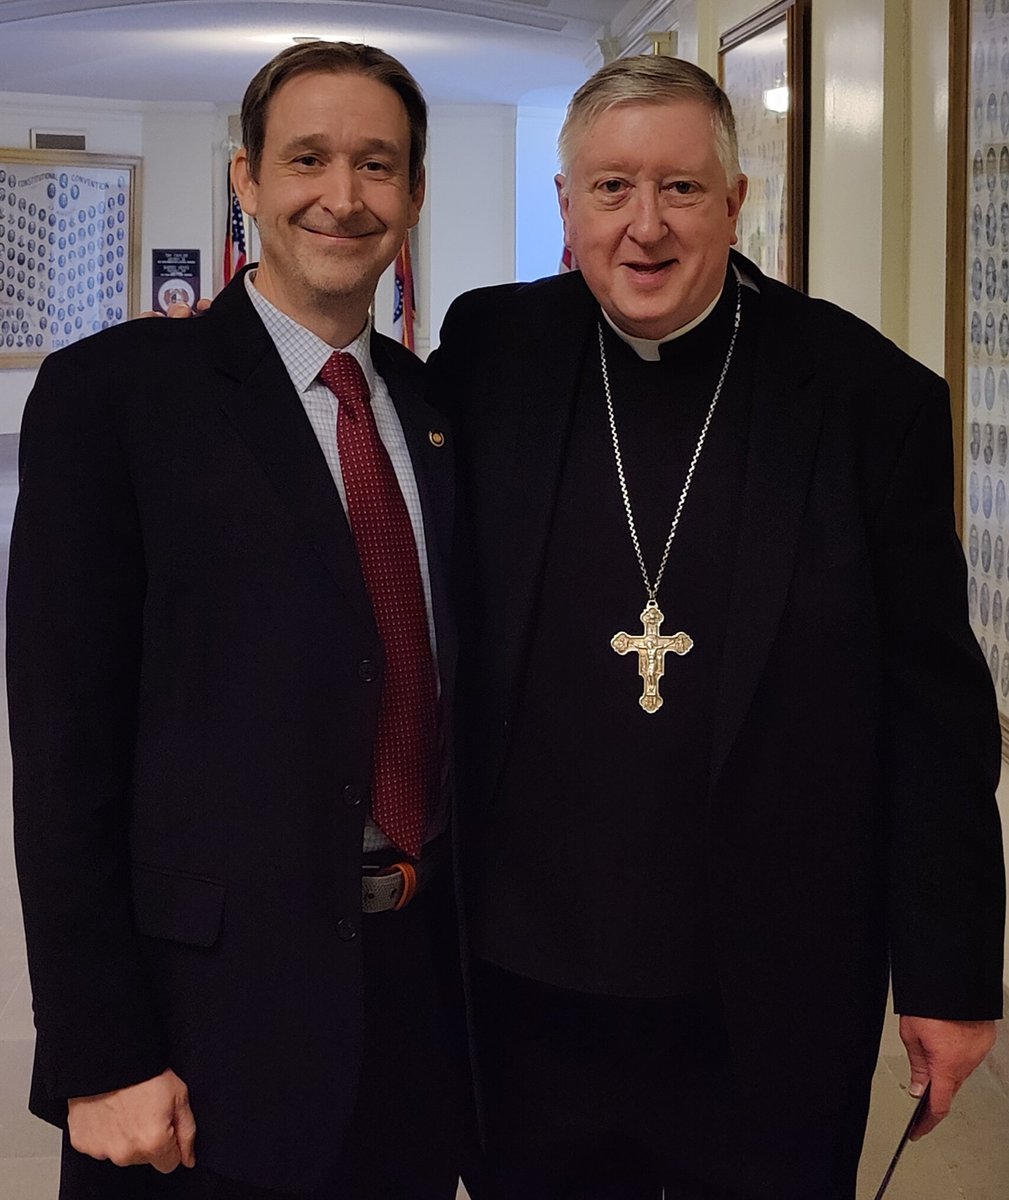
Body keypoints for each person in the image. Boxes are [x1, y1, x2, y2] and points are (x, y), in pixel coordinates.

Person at [429, 54, 1005, 1199]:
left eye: (681, 189)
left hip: (768, 993)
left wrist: (948, 977)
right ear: (564, 203)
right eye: (610, 189)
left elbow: (933, 707)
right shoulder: (492, 354)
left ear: (735, 204)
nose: (644, 227)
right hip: (522, 987)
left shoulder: (865, 397)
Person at [9, 40, 473, 1200]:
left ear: (414, 195)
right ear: (246, 180)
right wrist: (101, 1049)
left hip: (419, 997)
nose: (343, 194)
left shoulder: (434, 411)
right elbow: (63, 752)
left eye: (378, 165)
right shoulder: (113, 398)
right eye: (307, 158)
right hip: (205, 1017)